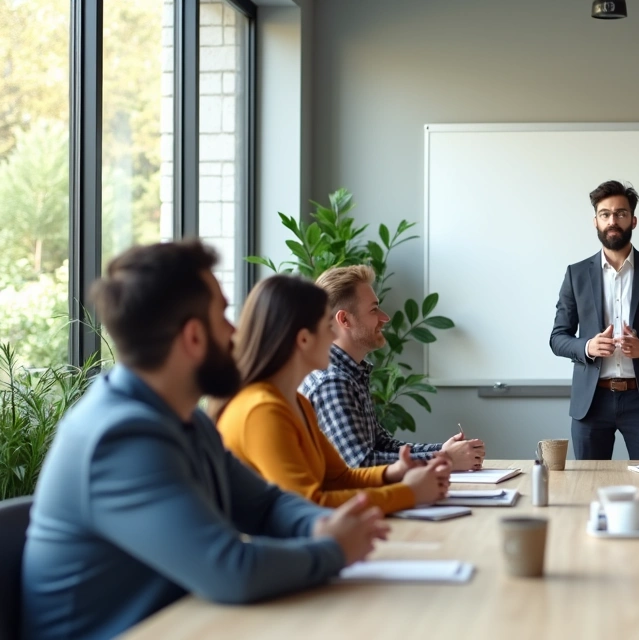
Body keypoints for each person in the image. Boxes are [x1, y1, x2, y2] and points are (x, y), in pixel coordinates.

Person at [22, 241, 387, 640]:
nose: (236, 332)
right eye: (224, 316)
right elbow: (232, 570)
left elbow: (266, 504)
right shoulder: (119, 438)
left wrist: (325, 527)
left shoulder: (183, 419)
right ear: (194, 337)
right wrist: (334, 550)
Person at [216, 275, 451, 514]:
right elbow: (307, 506)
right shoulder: (262, 410)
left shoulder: (296, 402)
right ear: (304, 339)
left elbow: (339, 477)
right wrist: (409, 493)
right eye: (327, 327)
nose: (333, 337)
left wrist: (394, 472)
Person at [549, 180, 639, 460]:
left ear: (633, 220)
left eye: (621, 213)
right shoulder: (576, 275)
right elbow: (558, 338)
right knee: (588, 488)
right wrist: (587, 347)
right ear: (595, 221)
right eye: (605, 214)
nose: (613, 220)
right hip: (592, 401)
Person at [302, 265, 485, 471]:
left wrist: (443, 450)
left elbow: (382, 445)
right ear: (344, 319)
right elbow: (361, 464)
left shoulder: (351, 374)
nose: (385, 318)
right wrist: (445, 459)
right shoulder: (332, 382)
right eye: (374, 309)